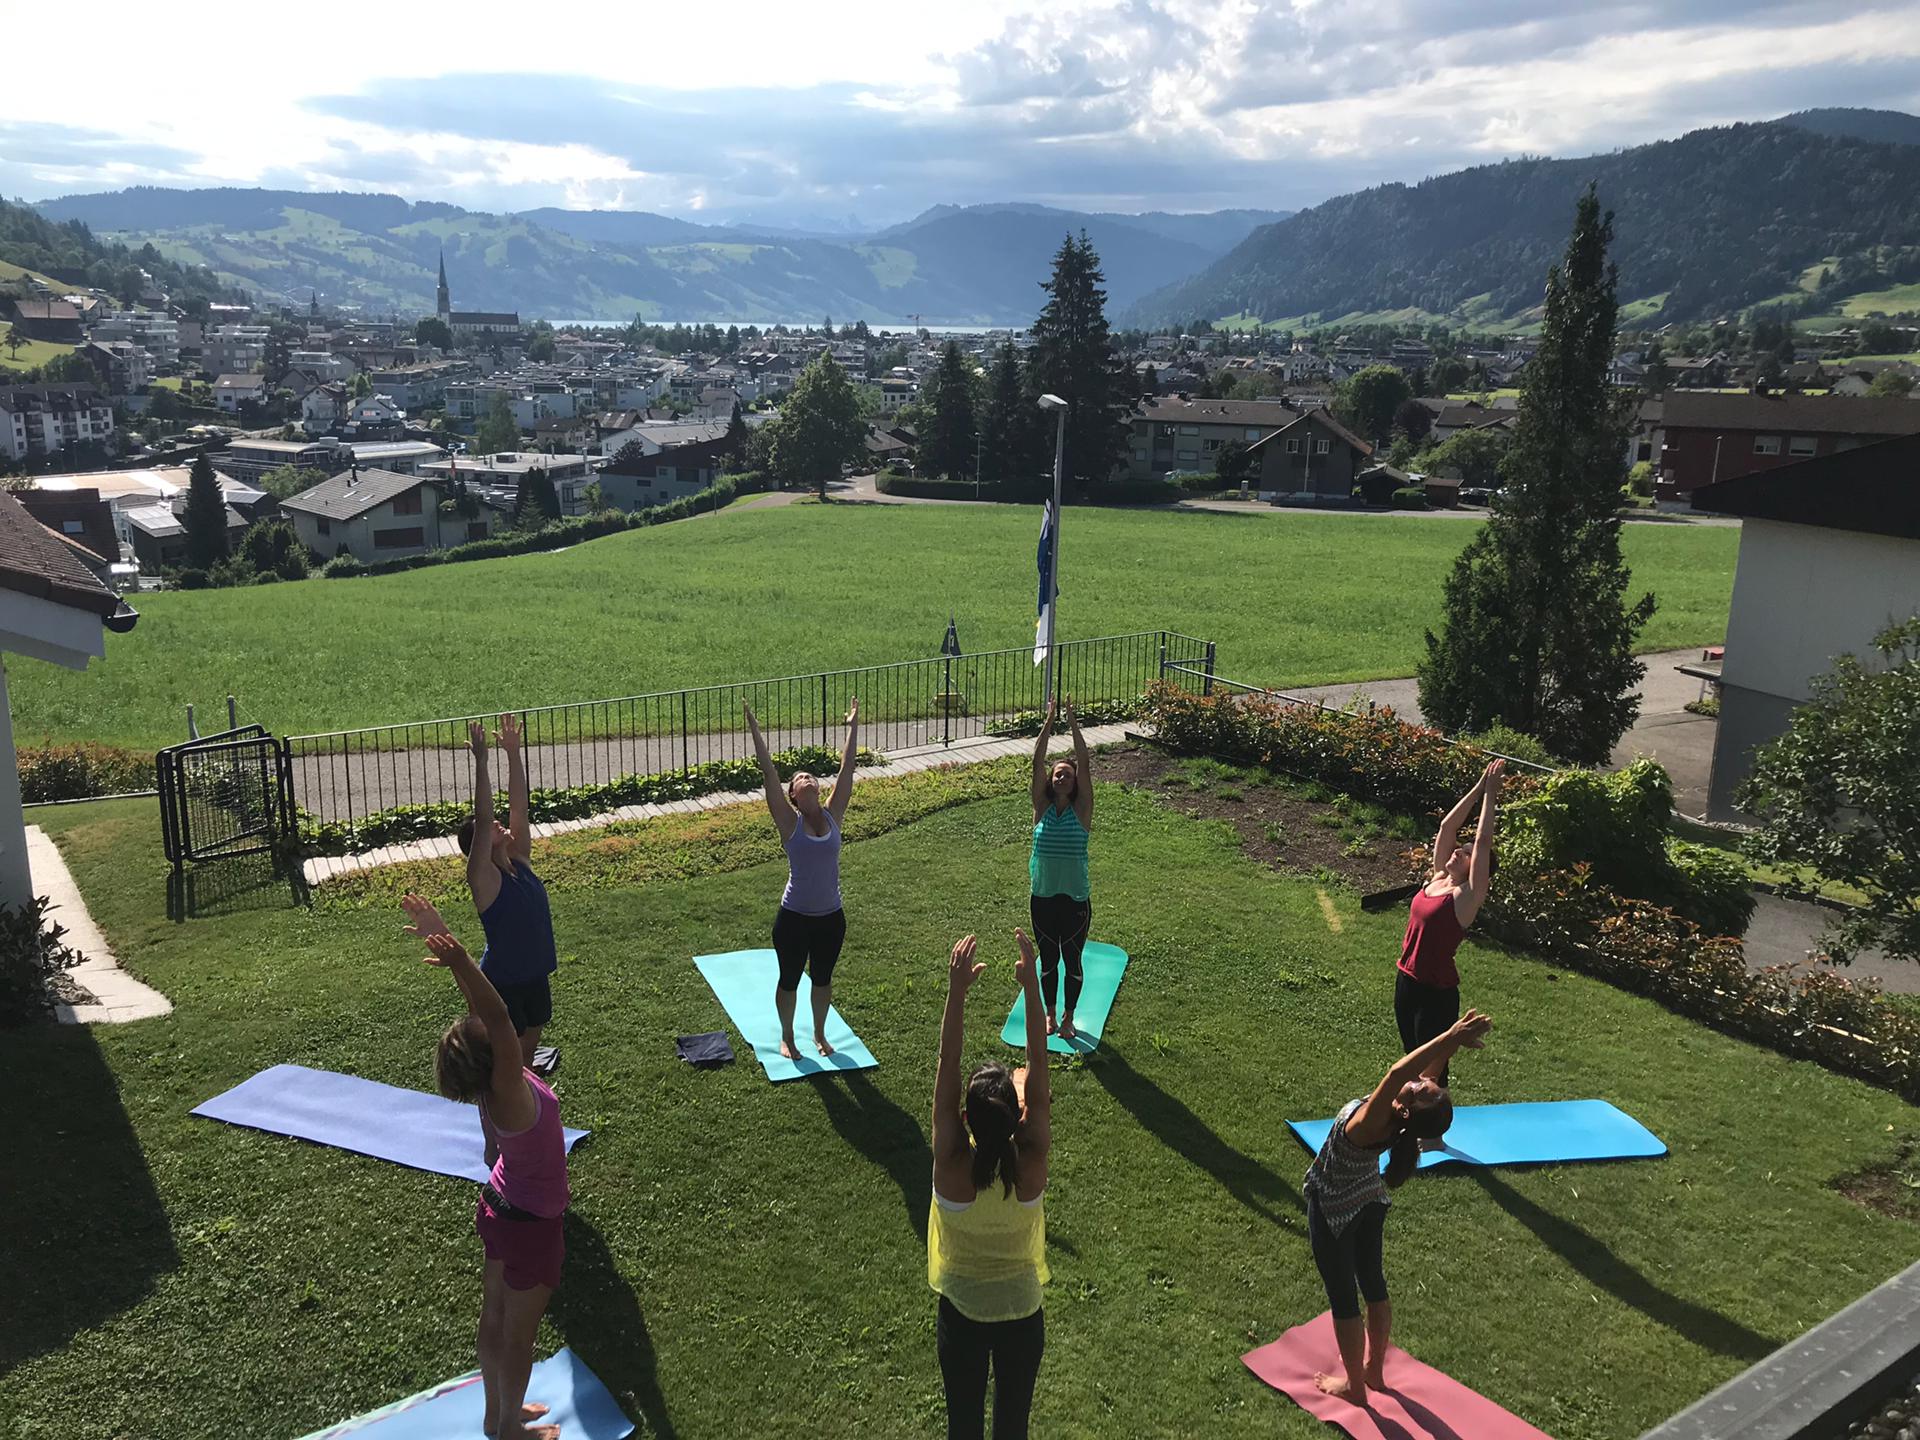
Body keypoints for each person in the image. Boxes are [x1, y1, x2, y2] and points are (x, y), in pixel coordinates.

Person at [401, 895, 569, 1440]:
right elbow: (495, 1015)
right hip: (529, 1223)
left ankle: (497, 1415)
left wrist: (449, 945)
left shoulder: (495, 1086)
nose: (492, 1028)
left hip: (500, 1205)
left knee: (494, 1317)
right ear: (494, 1053)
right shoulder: (509, 1086)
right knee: (518, 1336)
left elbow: (482, 1012)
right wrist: (462, 960)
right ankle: (509, 1431)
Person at [1303, 1009, 1493, 1408]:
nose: (1423, 1079)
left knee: (1343, 1297)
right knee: (1374, 1285)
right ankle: (1374, 1371)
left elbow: (1397, 1072)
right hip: (1370, 1198)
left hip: (1335, 1207)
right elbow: (1424, 1072)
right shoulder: (1402, 1121)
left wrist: (1449, 1036)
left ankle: (1355, 1388)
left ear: (1407, 1108)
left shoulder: (1373, 1121)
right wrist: (1453, 1043)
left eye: (1423, 1086)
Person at [929, 930, 1051, 1440]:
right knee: (1012, 1428)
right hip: (1022, 1315)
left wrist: (957, 992)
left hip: (962, 1315)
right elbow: (1039, 1066)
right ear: (1018, 1115)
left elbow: (948, 1064)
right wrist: (1032, 990)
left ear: (964, 1119)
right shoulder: (1031, 1163)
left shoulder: (951, 1165)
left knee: (963, 1428)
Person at [745, 696, 859, 1060]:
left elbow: (847, 769)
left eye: (810, 776)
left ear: (818, 788)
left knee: (822, 979)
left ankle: (821, 1034)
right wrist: (755, 730)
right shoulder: (788, 822)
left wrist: (853, 726)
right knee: (790, 979)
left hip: (831, 916)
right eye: (798, 779)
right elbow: (769, 775)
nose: (806, 778)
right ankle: (787, 1037)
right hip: (793, 917)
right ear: (793, 795)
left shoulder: (833, 815)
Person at [459, 713, 559, 1079]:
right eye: (489, 827)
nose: (498, 823)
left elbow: (519, 807)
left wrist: (513, 754)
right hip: (505, 981)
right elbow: (485, 815)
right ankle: (507, 1099)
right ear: (479, 845)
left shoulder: (519, 860)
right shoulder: (483, 878)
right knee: (507, 1053)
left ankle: (527, 1091)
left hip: (535, 973)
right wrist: (483, 763)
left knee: (530, 1044)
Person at [1396, 759, 1504, 1087]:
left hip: (1435, 994)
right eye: (1461, 848)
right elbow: (1446, 826)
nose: (1459, 851)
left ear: (1476, 869)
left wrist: (1492, 794)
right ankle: (1408, 1114)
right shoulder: (1438, 878)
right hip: (1406, 981)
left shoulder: (1466, 896)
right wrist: (1480, 786)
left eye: (1467, 854)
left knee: (1431, 1076)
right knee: (1410, 1063)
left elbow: (1483, 842)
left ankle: (1432, 1120)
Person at [1028, 698, 1093, 1040]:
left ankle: (1069, 1017)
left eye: (1068, 773)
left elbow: (1084, 761)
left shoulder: (1082, 810)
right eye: (1058, 773)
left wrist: (1072, 721)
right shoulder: (1041, 807)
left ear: (1075, 781)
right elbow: (1036, 761)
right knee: (1049, 958)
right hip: (1042, 896)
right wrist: (1049, 720)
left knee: (1073, 958)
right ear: (1050, 781)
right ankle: (1050, 1015)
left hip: (1074, 898)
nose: (1062, 776)